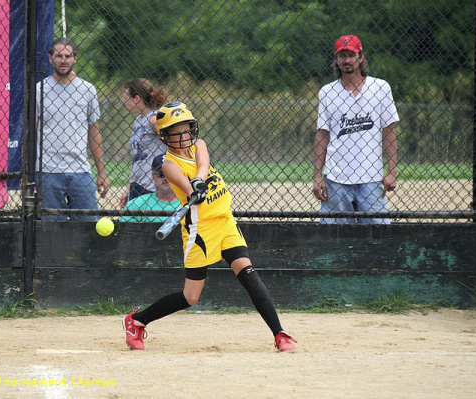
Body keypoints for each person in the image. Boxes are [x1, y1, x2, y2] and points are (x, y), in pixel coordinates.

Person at [123, 102, 297, 352]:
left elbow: (203, 165)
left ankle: (280, 334)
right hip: (200, 231)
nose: (183, 136)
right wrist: (193, 189)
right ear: (165, 136)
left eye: (186, 129)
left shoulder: (198, 146)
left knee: (248, 274)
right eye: (176, 131)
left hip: (224, 222)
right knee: (190, 297)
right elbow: (186, 186)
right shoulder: (169, 165)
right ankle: (137, 320)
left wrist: (198, 180)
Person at [313, 35, 398, 224]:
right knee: (334, 239)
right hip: (336, 178)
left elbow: (389, 131)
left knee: (379, 237)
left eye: (351, 55)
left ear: (360, 57)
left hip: (371, 176)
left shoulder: (380, 88)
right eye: (341, 56)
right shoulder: (327, 92)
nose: (347, 60)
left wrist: (392, 171)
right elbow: (322, 134)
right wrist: (318, 176)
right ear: (336, 60)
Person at [36, 37, 109, 221]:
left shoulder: (88, 90)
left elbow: (94, 133)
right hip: (48, 170)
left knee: (88, 225)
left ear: (75, 58)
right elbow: (30, 134)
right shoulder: (39, 89)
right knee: (53, 228)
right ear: (50, 58)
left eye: (68, 56)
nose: (64, 60)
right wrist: (25, 175)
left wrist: (102, 172)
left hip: (80, 170)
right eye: (59, 56)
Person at [119, 78, 169, 209]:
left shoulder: (154, 119)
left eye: (126, 98)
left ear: (136, 98)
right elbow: (138, 159)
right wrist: (129, 188)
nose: (124, 102)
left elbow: (174, 144)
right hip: (138, 185)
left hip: (152, 187)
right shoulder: (138, 120)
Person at [120, 154, 181, 223]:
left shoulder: (189, 202)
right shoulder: (137, 204)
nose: (166, 178)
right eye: (161, 174)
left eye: (170, 173)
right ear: (153, 176)